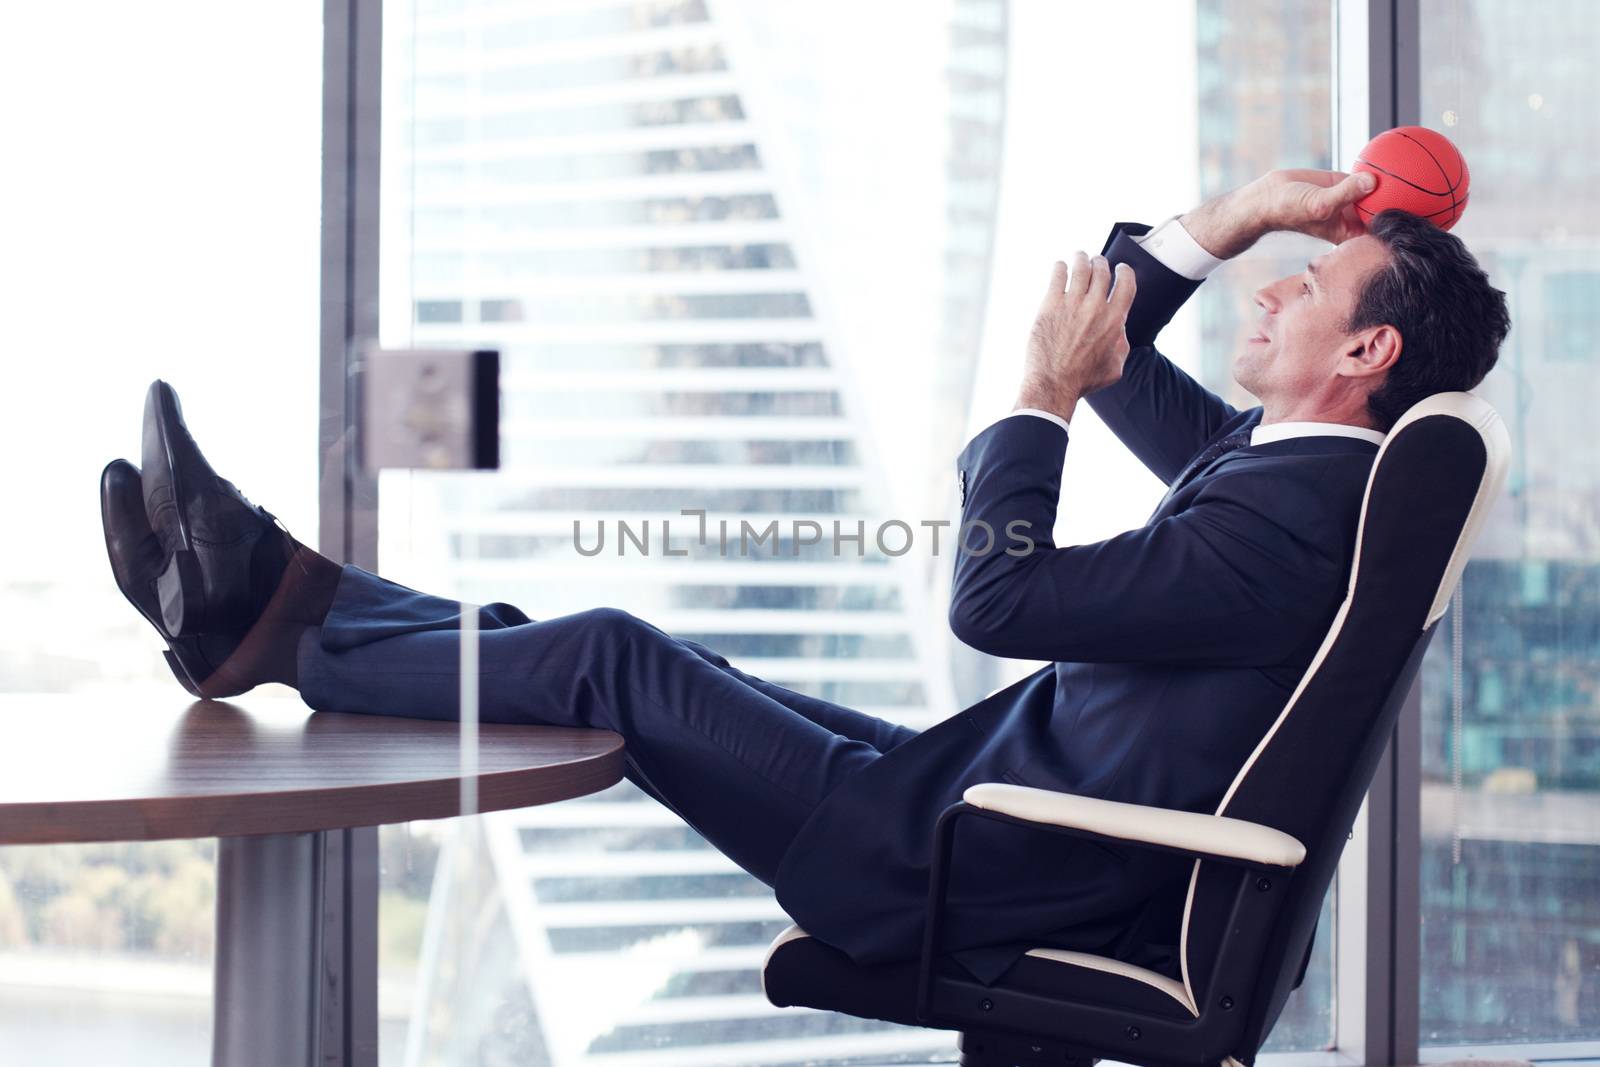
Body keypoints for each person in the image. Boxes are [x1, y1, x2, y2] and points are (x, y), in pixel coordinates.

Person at [99, 168, 1510, 988]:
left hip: (966, 867)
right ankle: (268, 594)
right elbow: (1128, 347)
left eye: (1307, 286)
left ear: (1367, 355)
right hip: (976, 802)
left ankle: (261, 615)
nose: (1274, 289)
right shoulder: (1304, 479)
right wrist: (1244, 213)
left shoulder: (1282, 526)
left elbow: (996, 602)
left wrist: (1038, 392)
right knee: (633, 656)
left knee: (612, 655)